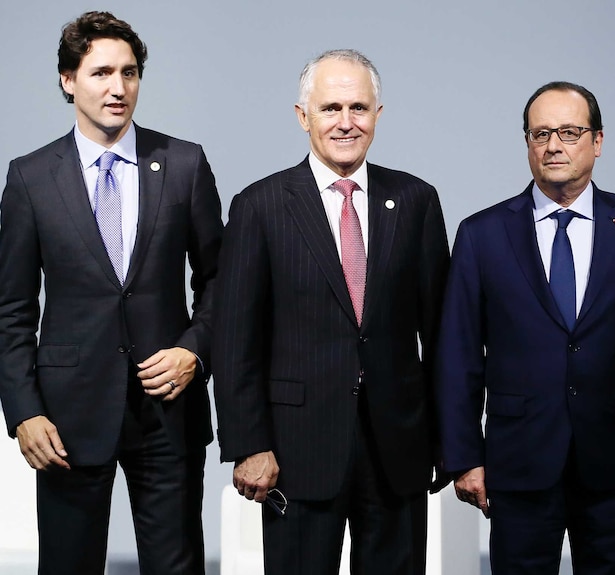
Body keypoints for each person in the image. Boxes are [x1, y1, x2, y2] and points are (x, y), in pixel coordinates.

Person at [0, 11, 223, 575]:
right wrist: (23, 411)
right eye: (100, 73)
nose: (118, 88)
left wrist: (195, 350)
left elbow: (222, 283)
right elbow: (12, 309)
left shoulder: (184, 164)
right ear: (67, 80)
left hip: (168, 408)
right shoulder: (29, 178)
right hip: (67, 417)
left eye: (129, 72)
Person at [212, 49, 450, 575]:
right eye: (330, 108)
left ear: (378, 115)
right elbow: (234, 342)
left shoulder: (416, 201)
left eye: (359, 108)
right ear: (303, 117)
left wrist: (449, 440)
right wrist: (249, 445)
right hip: (297, 452)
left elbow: (442, 336)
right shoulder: (260, 206)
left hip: (398, 449)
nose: (346, 122)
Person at [436, 81, 615, 575]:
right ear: (527, 143)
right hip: (518, 461)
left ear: (598, 141)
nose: (554, 145)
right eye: (541, 133)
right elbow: (458, 356)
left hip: (614, 457)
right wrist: (463, 455)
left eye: (570, 131)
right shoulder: (482, 234)